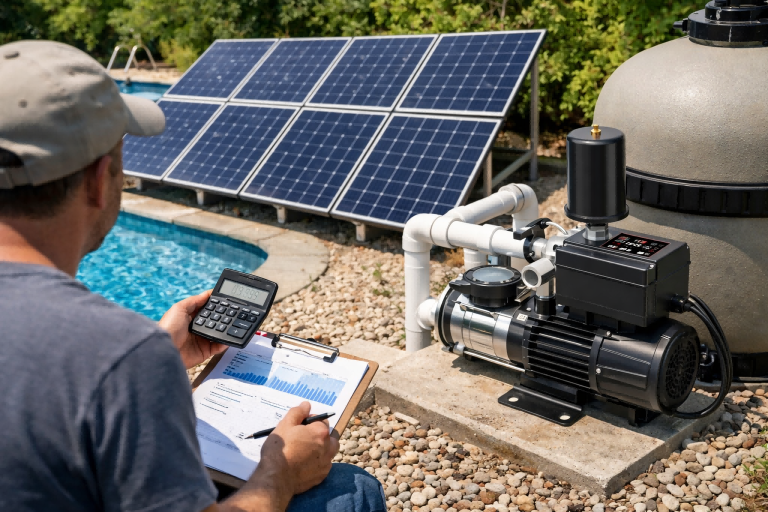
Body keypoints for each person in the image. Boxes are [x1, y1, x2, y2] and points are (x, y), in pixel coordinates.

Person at [0, 40, 387, 512]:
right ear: (100, 180)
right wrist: (278, 474)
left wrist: (156, 354)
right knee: (351, 491)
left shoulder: (121, 356)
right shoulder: (116, 354)